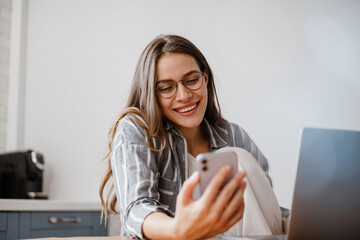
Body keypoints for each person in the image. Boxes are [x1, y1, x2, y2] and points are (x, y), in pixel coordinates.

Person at [99, 34, 290, 239]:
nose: (184, 95)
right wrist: (179, 230)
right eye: (166, 88)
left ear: (205, 78)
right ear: (151, 93)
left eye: (192, 80)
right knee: (235, 156)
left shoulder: (233, 135)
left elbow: (264, 213)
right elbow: (136, 210)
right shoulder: (137, 130)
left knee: (236, 155)